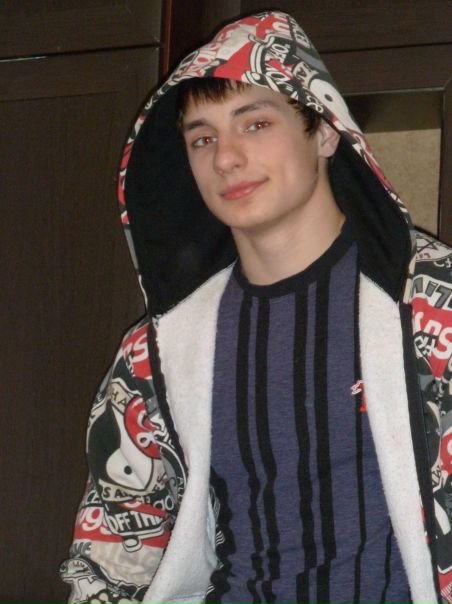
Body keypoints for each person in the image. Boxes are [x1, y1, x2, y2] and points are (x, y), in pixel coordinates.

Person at [60, 10, 452, 604]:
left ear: (325, 133)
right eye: (202, 138)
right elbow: (113, 547)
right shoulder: (157, 352)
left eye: (256, 123)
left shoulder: (430, 304)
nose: (226, 158)